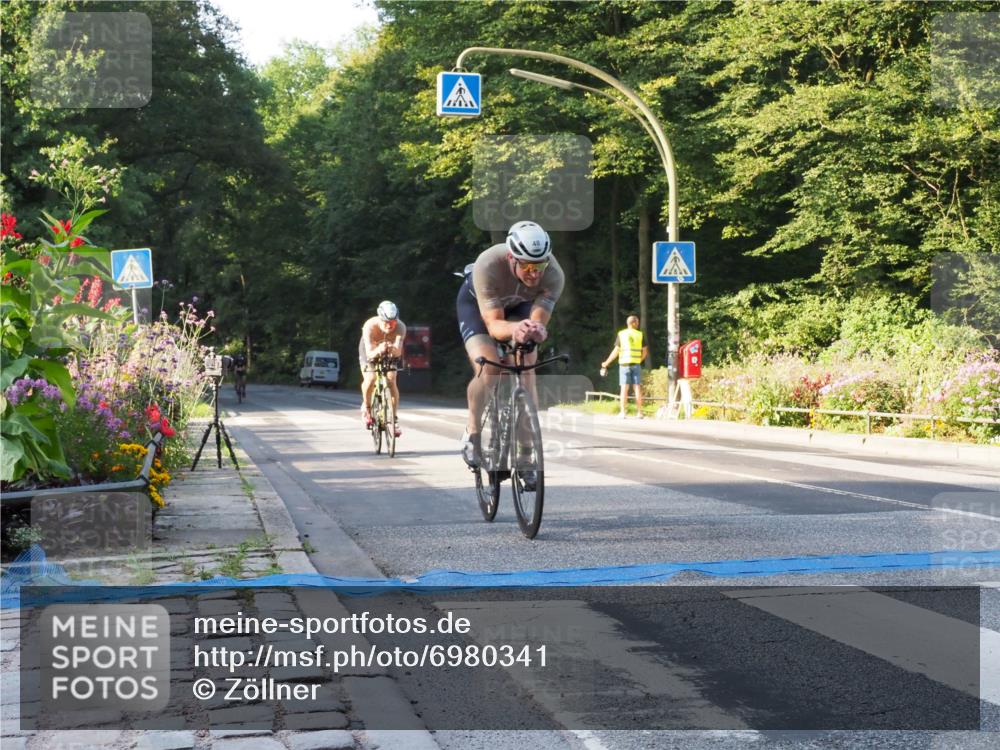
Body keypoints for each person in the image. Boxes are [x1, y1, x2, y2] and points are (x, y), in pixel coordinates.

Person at [456, 220, 564, 467]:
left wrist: (535, 330)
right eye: (527, 265)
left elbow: (538, 319)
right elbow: (494, 325)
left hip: (519, 307)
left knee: (527, 367)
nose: (535, 273)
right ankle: (472, 432)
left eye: (539, 265)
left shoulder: (554, 274)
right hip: (478, 309)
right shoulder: (488, 265)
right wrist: (516, 329)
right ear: (511, 257)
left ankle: (526, 455)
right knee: (489, 368)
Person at [359, 301, 405, 437]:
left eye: (393, 322)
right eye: (386, 322)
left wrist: (393, 349)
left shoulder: (401, 327)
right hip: (370, 349)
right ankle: (367, 408)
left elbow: (398, 352)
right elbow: (369, 354)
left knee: (391, 379)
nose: (390, 325)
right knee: (371, 378)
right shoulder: (369, 326)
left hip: (388, 349)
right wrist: (379, 349)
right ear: (380, 318)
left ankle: (394, 419)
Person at [600, 315, 648, 418]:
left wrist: (606, 362)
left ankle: (623, 413)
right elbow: (645, 352)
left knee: (624, 389)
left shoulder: (621, 334)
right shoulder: (640, 335)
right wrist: (639, 360)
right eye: (637, 322)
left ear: (628, 323)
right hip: (636, 364)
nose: (638, 323)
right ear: (634, 323)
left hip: (624, 365)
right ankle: (639, 413)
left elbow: (616, 351)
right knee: (637, 388)